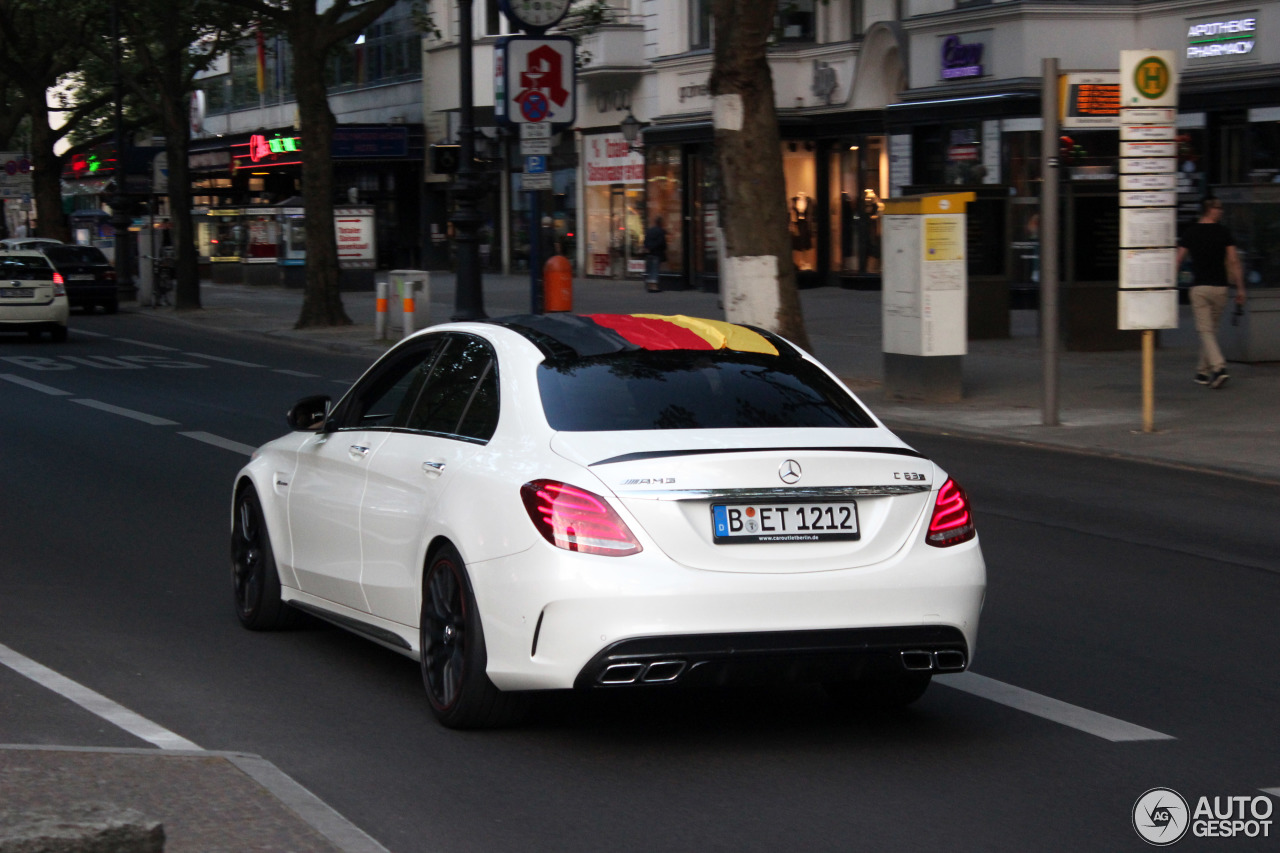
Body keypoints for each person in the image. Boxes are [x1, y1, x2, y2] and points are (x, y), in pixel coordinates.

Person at [1176, 197, 1246, 389]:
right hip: (1220, 288)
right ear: (1209, 210)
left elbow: (1178, 259)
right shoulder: (1224, 233)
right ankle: (1202, 372)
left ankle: (1218, 367)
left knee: (1206, 332)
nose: (1221, 211)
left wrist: (1168, 283)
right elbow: (1233, 261)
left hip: (1199, 288)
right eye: (1218, 207)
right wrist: (1240, 288)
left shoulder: (1190, 233)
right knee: (1210, 332)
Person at [643, 216, 667, 292]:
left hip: (649, 253)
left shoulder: (650, 230)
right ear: (661, 223)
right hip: (656, 253)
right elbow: (661, 243)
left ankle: (649, 285)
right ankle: (654, 287)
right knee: (655, 270)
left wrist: (648, 248)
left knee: (650, 269)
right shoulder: (660, 231)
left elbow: (645, 241)